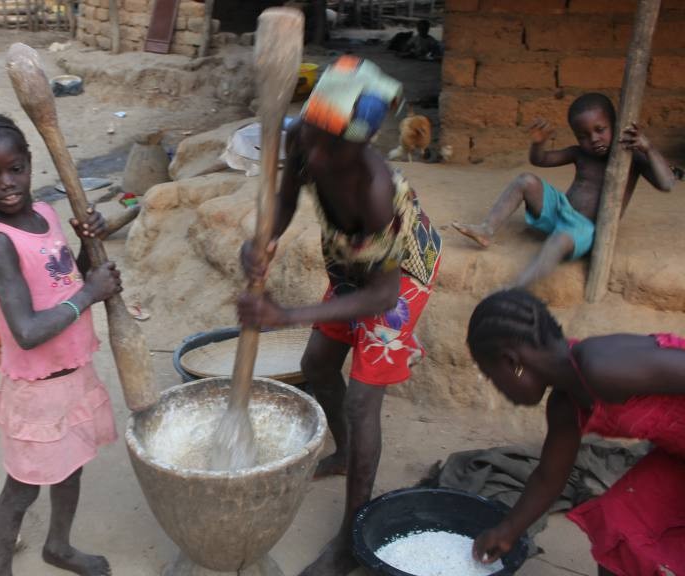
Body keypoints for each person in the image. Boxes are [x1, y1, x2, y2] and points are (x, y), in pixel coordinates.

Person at [237, 56, 443, 576]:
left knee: (360, 399)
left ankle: (352, 538)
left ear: (363, 146)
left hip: (396, 279)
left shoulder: (378, 192)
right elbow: (285, 199)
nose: (318, 155)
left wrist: (286, 313)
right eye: (315, 137)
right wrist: (263, 239)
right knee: (320, 364)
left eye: (334, 146)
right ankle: (348, 455)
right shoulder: (305, 137)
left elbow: (381, 296)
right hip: (352, 265)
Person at [0, 113, 119, 576]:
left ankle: (59, 547)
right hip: (37, 389)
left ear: (31, 164)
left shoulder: (46, 215)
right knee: (24, 486)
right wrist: (91, 294)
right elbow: (27, 331)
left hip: (73, 373)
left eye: (15, 169)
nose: (6, 184)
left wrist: (92, 247)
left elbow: (65, 277)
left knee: (72, 467)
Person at [466, 289, 685, 576]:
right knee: (622, 527)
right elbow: (548, 477)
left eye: (492, 377)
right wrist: (507, 531)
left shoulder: (603, 367)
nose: (498, 389)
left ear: (512, 363)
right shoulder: (565, 404)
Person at [453, 93, 675, 287]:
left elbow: (667, 183)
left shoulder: (630, 158)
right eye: (583, 136)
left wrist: (648, 148)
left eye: (600, 130)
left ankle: (515, 289)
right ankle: (486, 229)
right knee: (526, 180)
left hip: (585, 228)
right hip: (561, 210)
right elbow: (540, 161)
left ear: (615, 124)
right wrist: (539, 144)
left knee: (557, 242)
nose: (593, 139)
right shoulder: (580, 152)